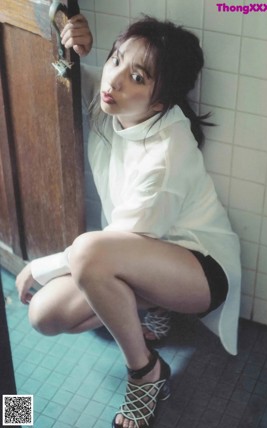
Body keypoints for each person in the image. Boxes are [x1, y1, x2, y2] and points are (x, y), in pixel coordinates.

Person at [16, 14, 241, 428]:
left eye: (135, 76)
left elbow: (114, 243)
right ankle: (150, 306)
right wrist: (70, 38)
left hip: (200, 269)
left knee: (87, 252)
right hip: (138, 258)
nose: (114, 80)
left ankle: (146, 374)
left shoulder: (168, 151)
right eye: (115, 59)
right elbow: (59, 64)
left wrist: (40, 265)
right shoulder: (111, 99)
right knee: (44, 315)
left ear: (159, 102)